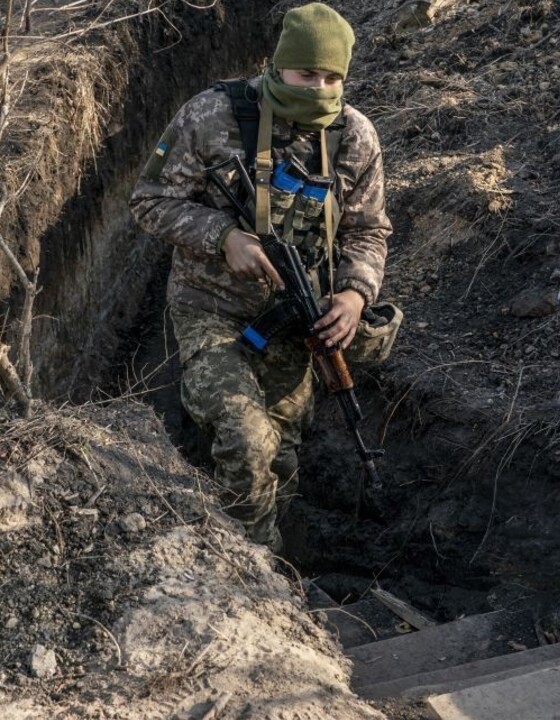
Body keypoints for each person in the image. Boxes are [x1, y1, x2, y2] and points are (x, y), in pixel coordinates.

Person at [130, 3, 391, 550]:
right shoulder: (209, 116)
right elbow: (149, 202)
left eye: (331, 78)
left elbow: (368, 231)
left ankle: (267, 555)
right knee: (246, 438)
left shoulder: (356, 138)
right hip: (209, 308)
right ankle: (254, 567)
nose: (318, 88)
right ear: (277, 65)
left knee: (282, 453)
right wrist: (223, 237)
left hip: (298, 321)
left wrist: (353, 293)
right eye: (305, 75)